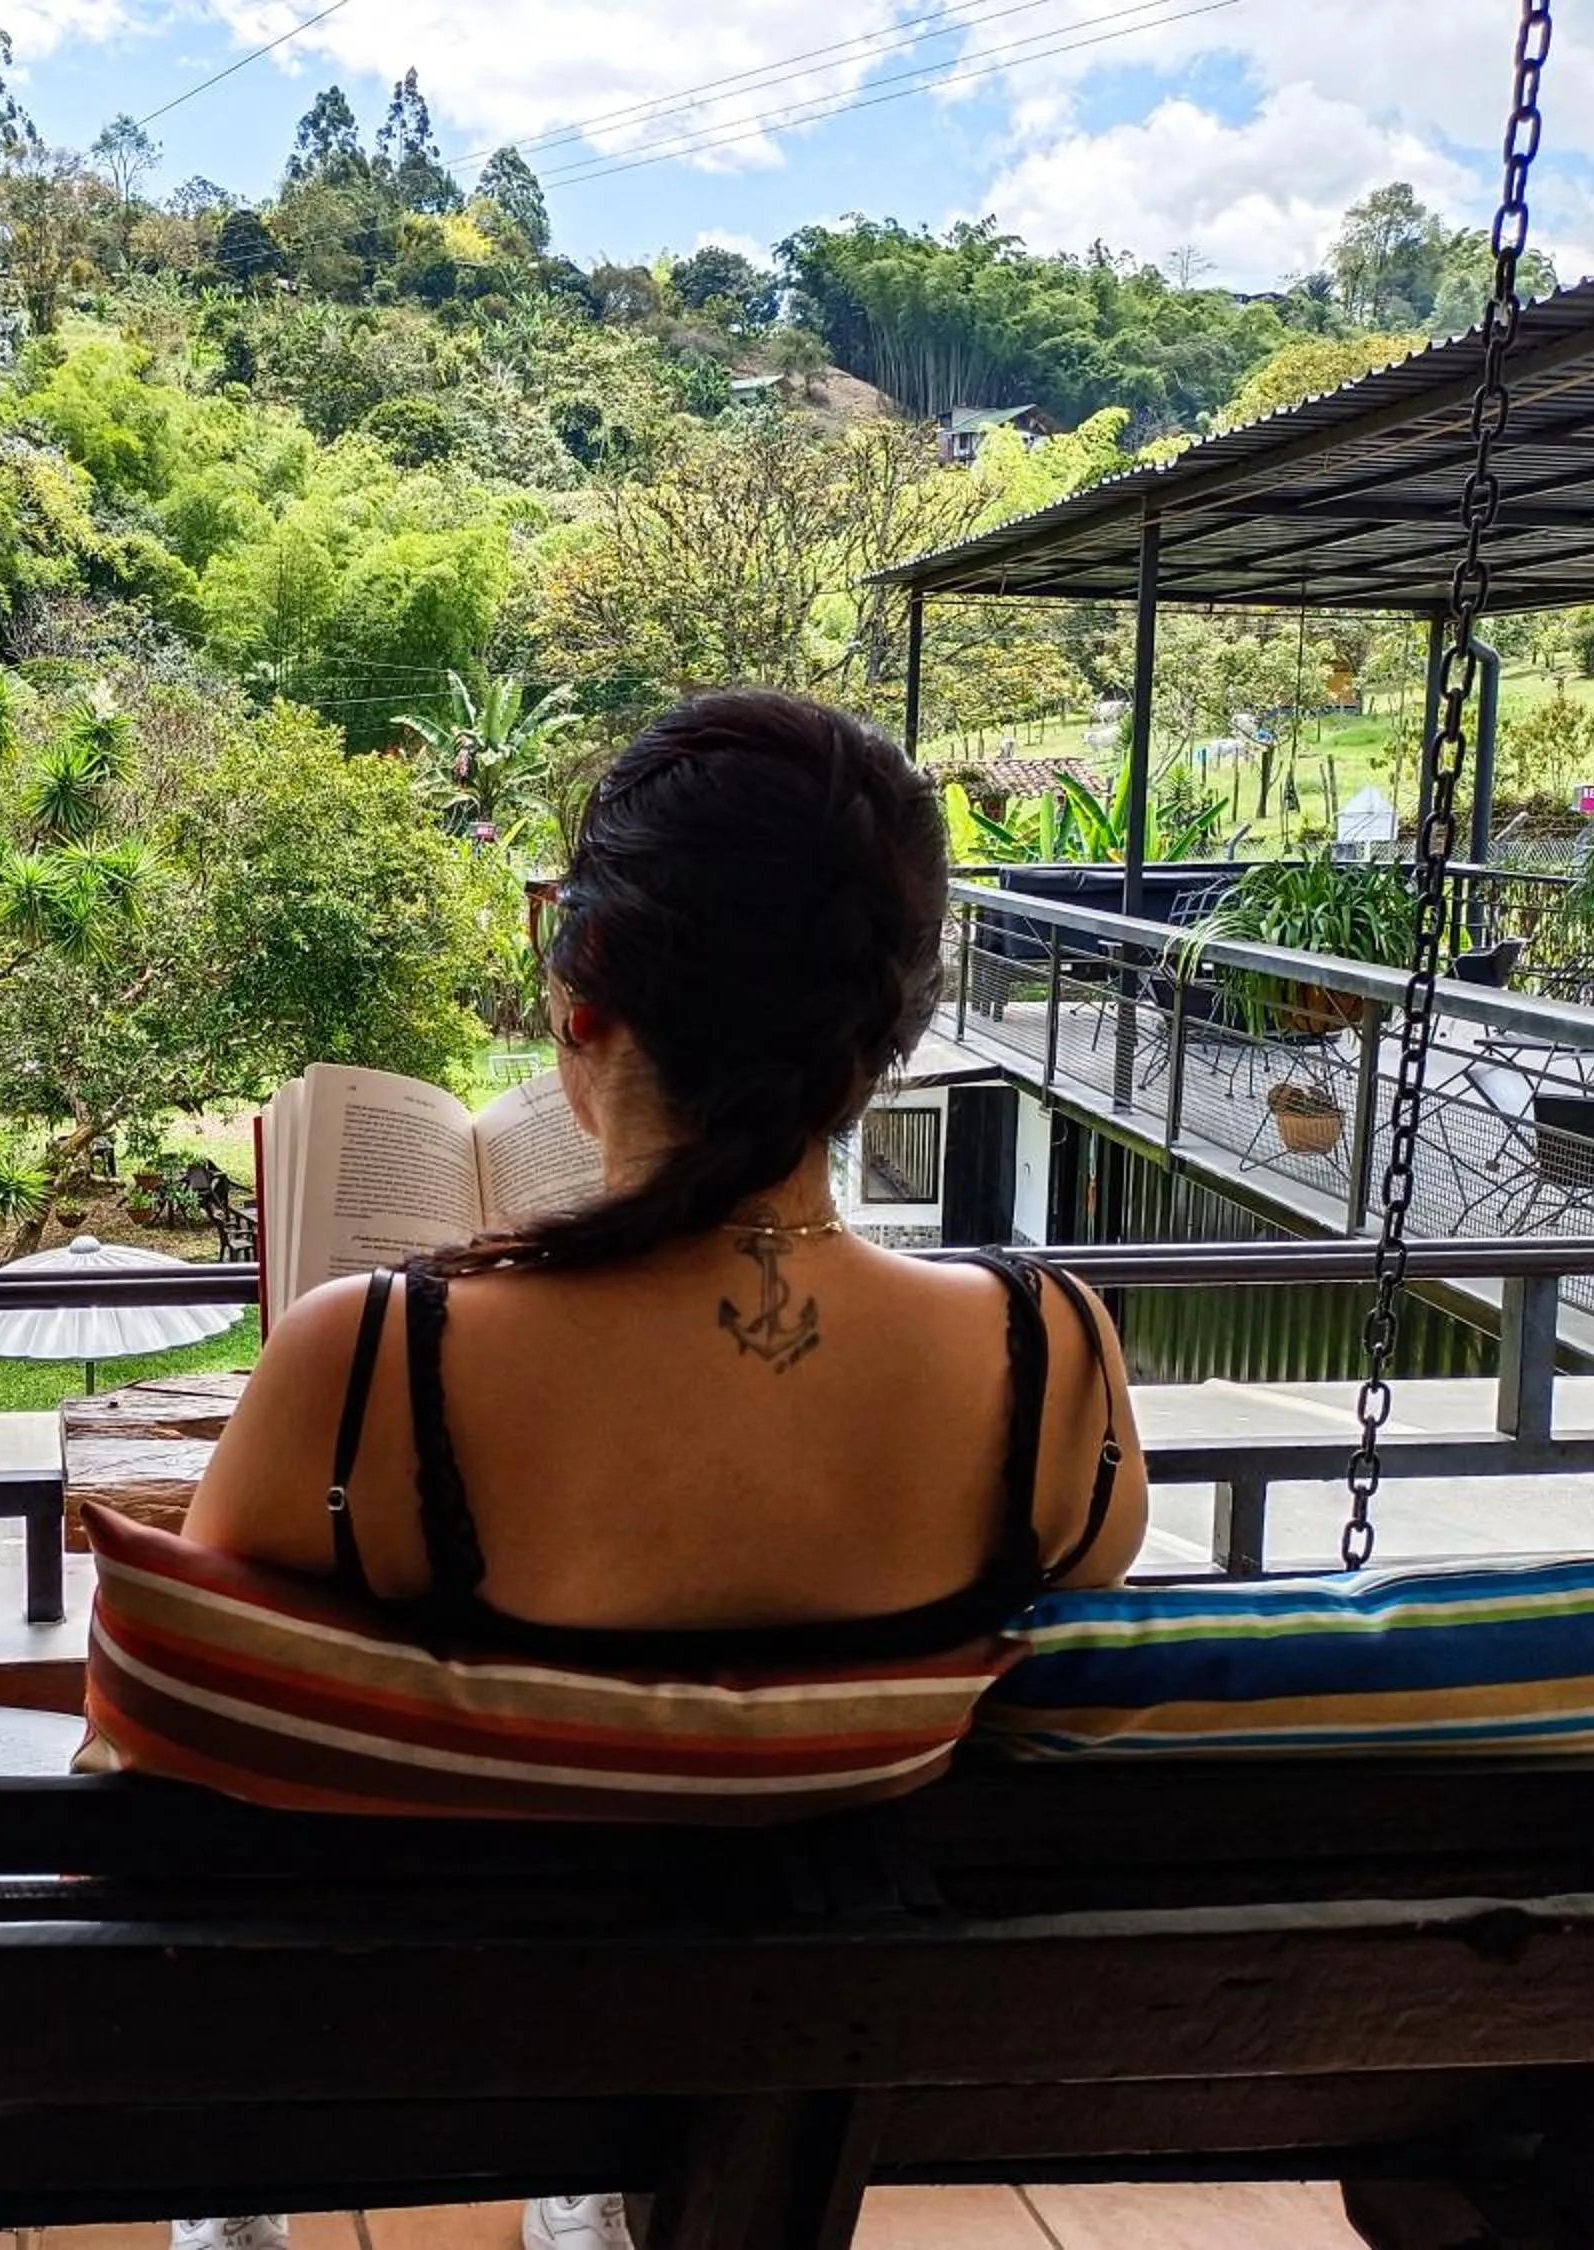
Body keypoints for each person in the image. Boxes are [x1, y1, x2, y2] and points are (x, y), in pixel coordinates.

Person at [170, 689, 1150, 2250]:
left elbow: (185, 1736)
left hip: (427, 2049)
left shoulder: (374, 1364)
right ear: (887, 1023)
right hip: (821, 2056)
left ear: (587, 991)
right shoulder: (1053, 1362)